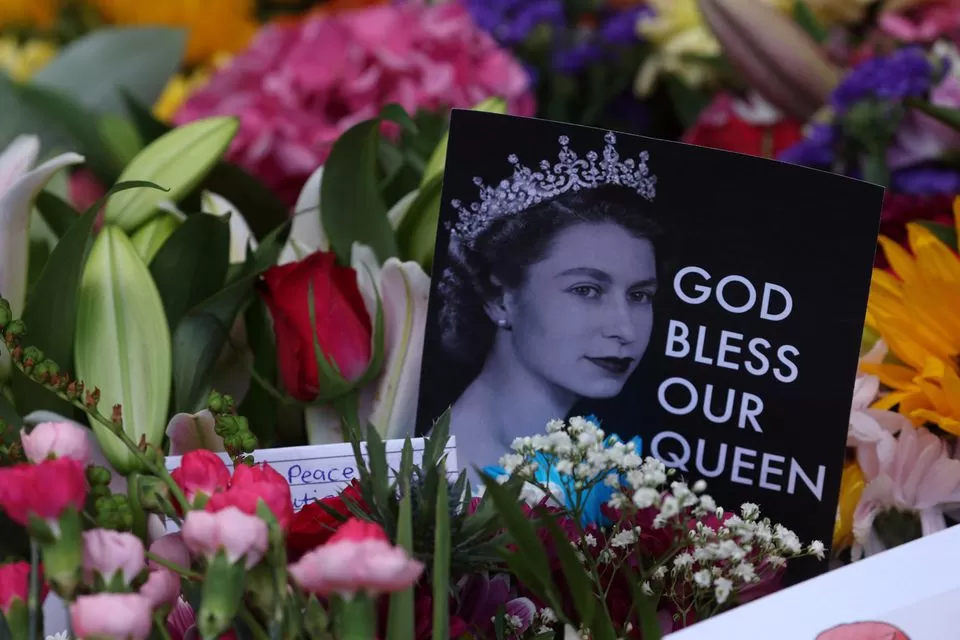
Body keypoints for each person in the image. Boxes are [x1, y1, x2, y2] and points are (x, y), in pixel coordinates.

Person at [436, 131, 664, 477]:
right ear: (498, 298)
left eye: (639, 295)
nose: (624, 329)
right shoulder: (460, 475)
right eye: (586, 290)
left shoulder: (580, 457)